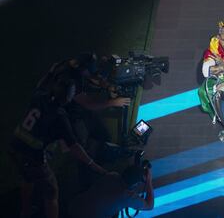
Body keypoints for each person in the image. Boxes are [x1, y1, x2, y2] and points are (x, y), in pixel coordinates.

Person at [9, 78, 115, 218]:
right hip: (33, 157)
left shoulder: (40, 96)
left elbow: (42, 83)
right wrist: (93, 165)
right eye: (72, 93)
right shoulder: (59, 117)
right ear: (67, 97)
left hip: (15, 145)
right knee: (52, 193)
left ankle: (26, 211)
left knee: (26, 178)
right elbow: (74, 146)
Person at [36, 53, 131, 155]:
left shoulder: (67, 64)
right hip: (64, 111)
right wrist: (113, 102)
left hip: (50, 102)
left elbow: (91, 77)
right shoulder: (72, 80)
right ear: (81, 68)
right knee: (81, 140)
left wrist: (107, 86)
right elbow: (89, 104)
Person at [68, 165, 154, 218]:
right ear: (136, 184)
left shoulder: (112, 175)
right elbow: (149, 205)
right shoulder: (127, 197)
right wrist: (149, 182)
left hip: (74, 207)